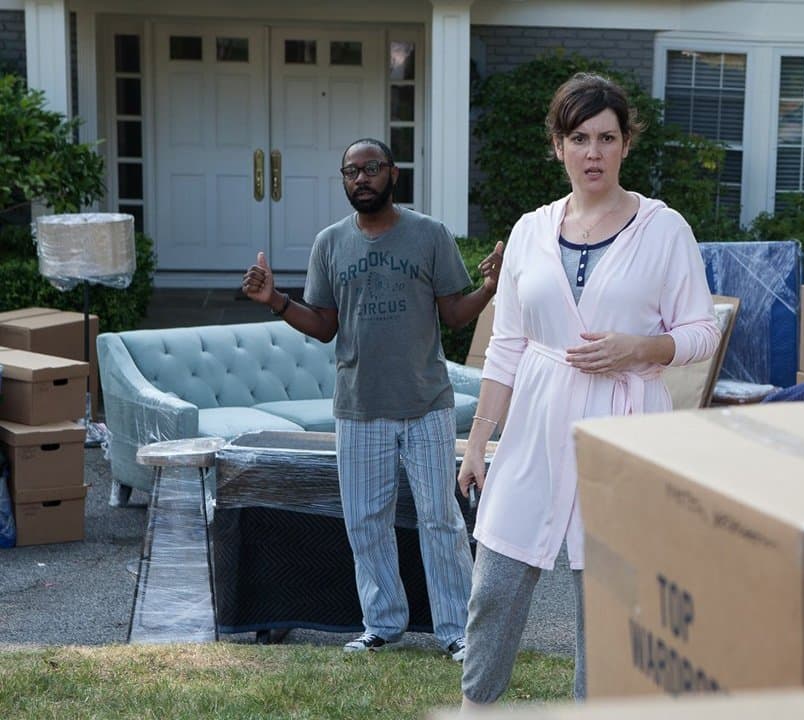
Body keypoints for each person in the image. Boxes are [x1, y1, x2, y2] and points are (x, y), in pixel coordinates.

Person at [455, 73, 720, 706]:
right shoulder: (529, 230)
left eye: (606, 137)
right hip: (536, 425)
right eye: (579, 138)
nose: (593, 152)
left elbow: (702, 331)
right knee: (494, 588)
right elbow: (507, 345)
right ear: (558, 146)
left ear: (627, 143)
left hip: (623, 428)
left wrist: (642, 348)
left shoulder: (664, 230)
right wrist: (478, 441)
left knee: (604, 604)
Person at [241, 138, 503, 659]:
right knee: (365, 521)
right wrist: (276, 301)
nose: (361, 178)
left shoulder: (429, 235)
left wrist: (490, 288)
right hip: (359, 407)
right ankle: (382, 624)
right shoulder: (330, 243)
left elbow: (454, 314)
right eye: (351, 171)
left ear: (393, 174)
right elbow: (323, 326)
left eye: (371, 168)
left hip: (426, 403)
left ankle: (458, 630)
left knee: (440, 520)